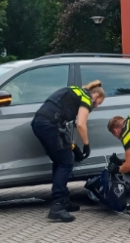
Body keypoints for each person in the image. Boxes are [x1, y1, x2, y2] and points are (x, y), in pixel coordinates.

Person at [32, 81, 105, 222]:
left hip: (40, 123)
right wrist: (86, 145)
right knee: (66, 162)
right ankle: (57, 207)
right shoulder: (86, 98)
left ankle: (63, 200)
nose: (96, 106)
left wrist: (73, 146)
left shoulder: (76, 90)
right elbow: (81, 124)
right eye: (98, 103)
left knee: (60, 161)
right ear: (96, 95)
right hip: (49, 125)